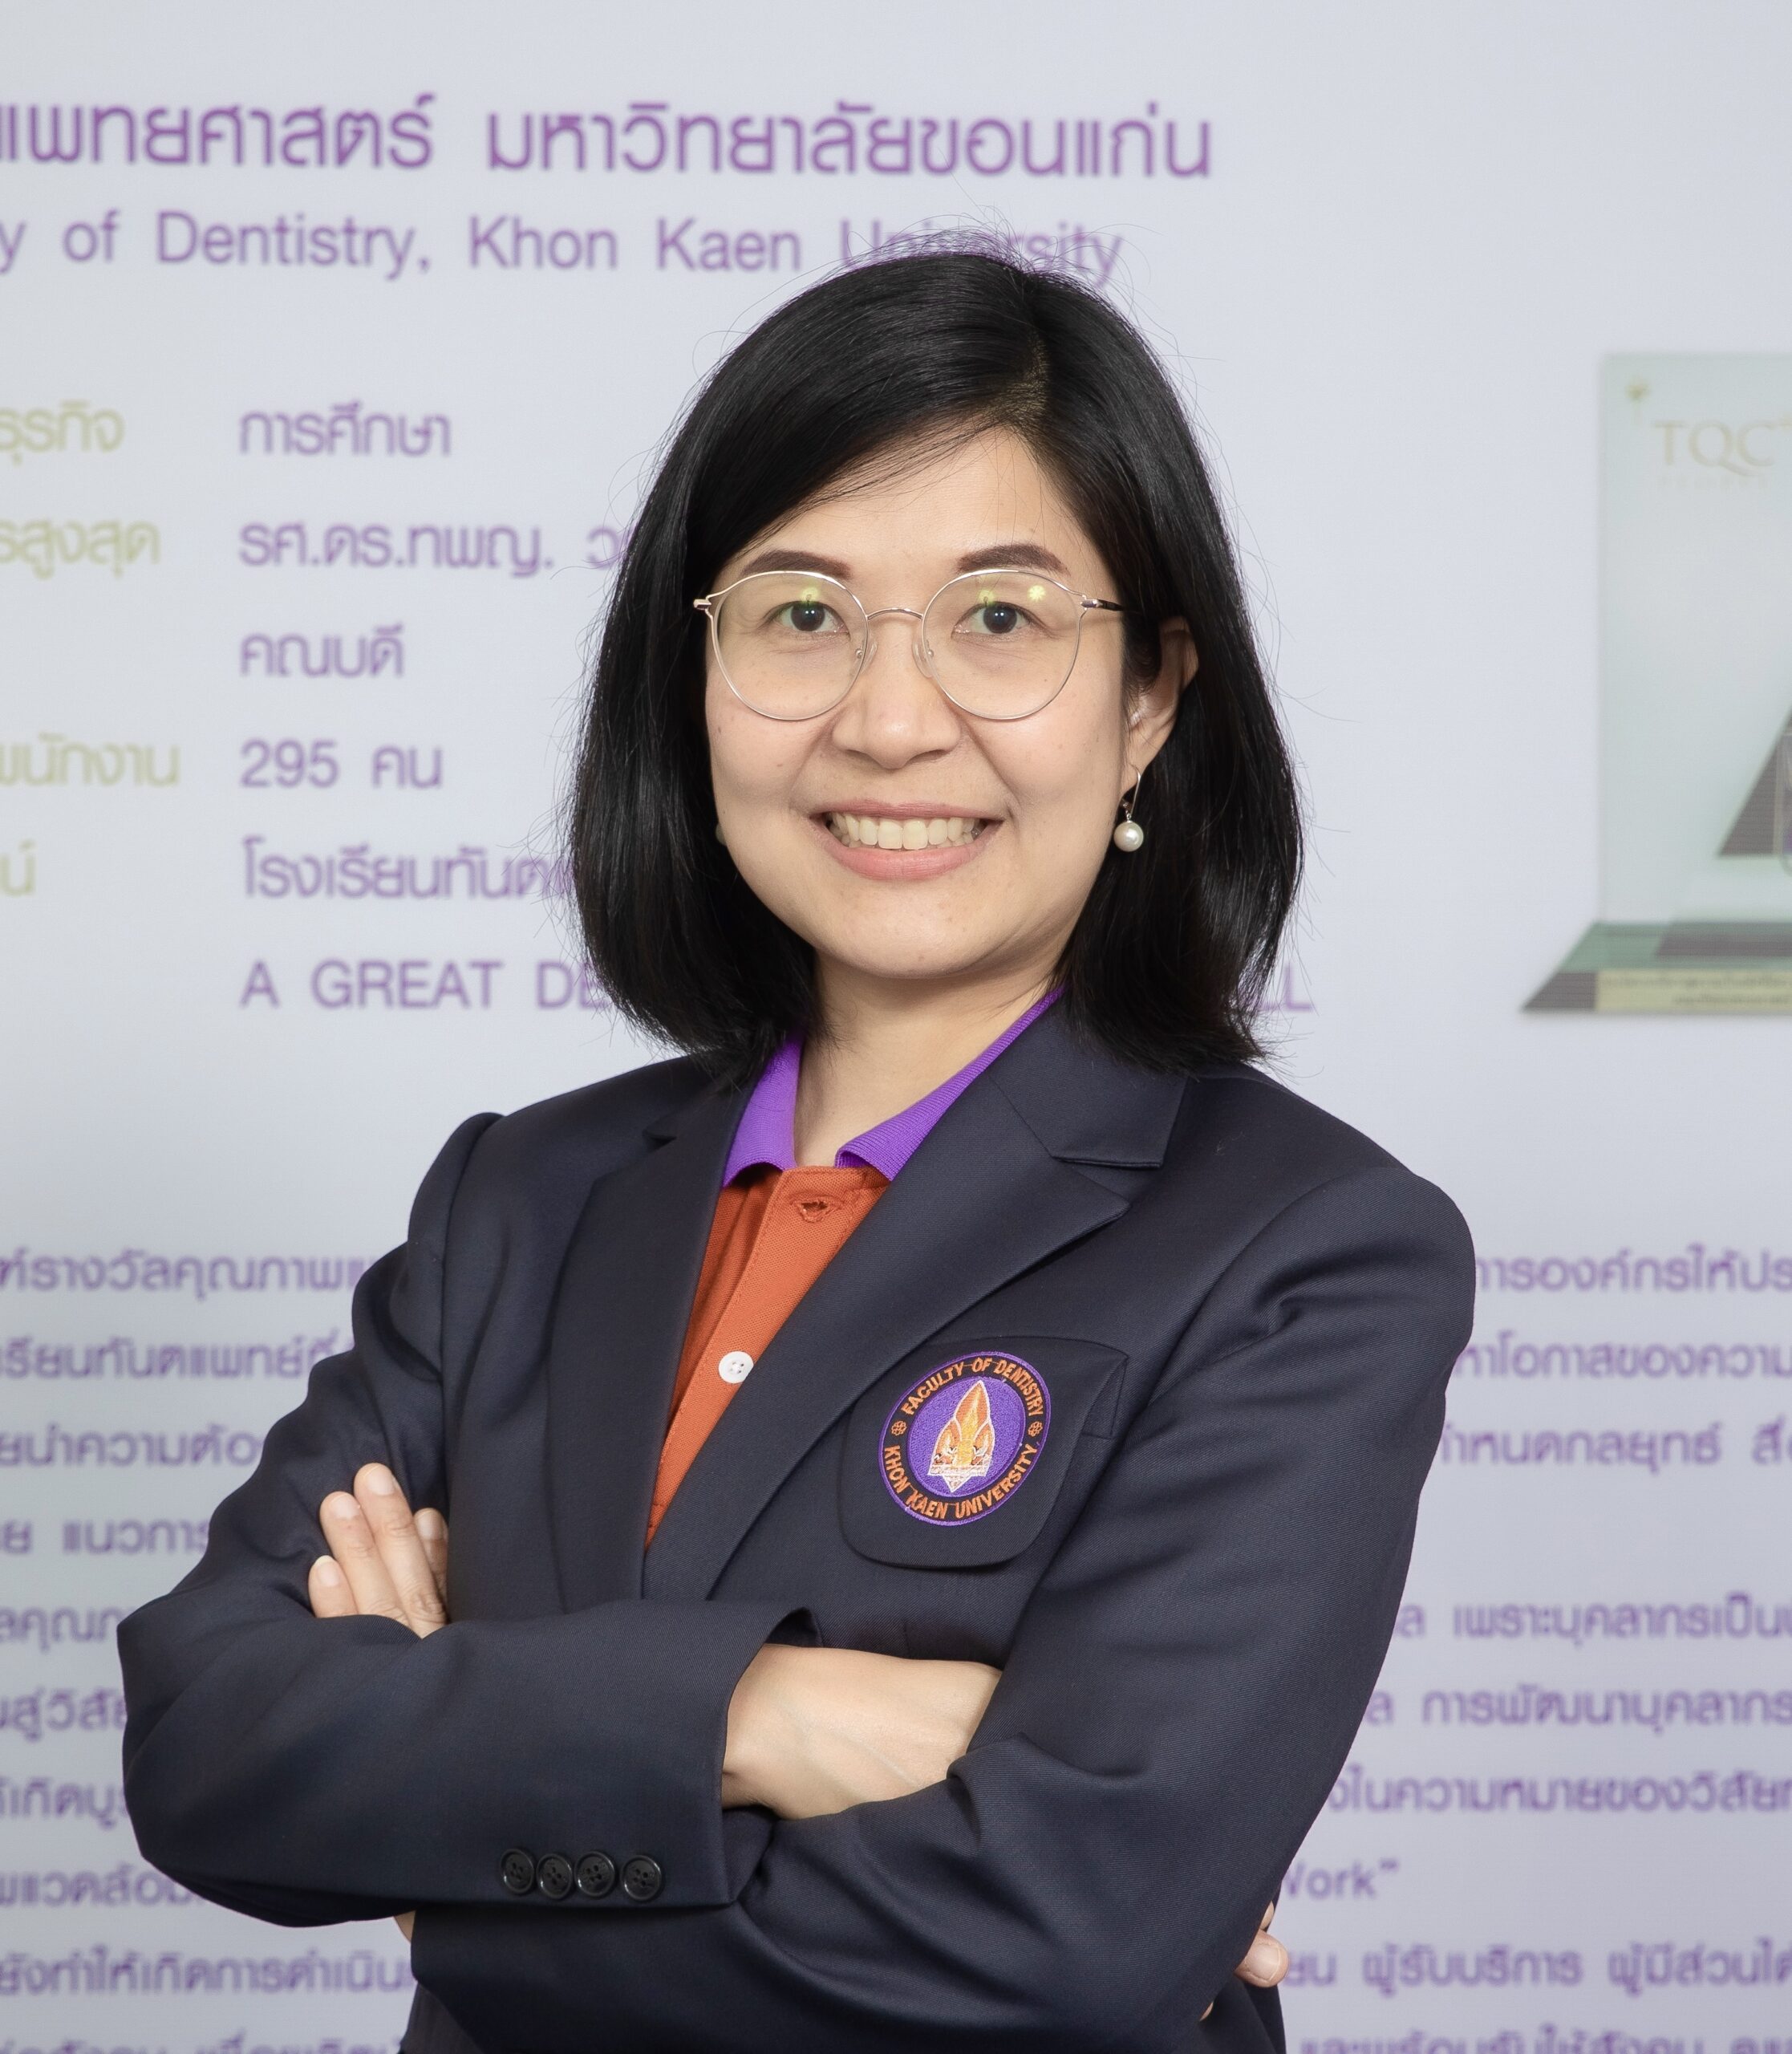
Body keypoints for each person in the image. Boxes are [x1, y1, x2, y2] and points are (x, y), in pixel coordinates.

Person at [118, 250, 1474, 2053]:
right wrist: (757, 1715)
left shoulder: (1303, 1243)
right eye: (801, 613)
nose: (889, 719)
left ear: (1148, 697)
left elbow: (1064, 1936)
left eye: (1001, 619)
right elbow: (207, 1740)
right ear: (693, 675)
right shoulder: (523, 1198)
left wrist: (454, 1833)